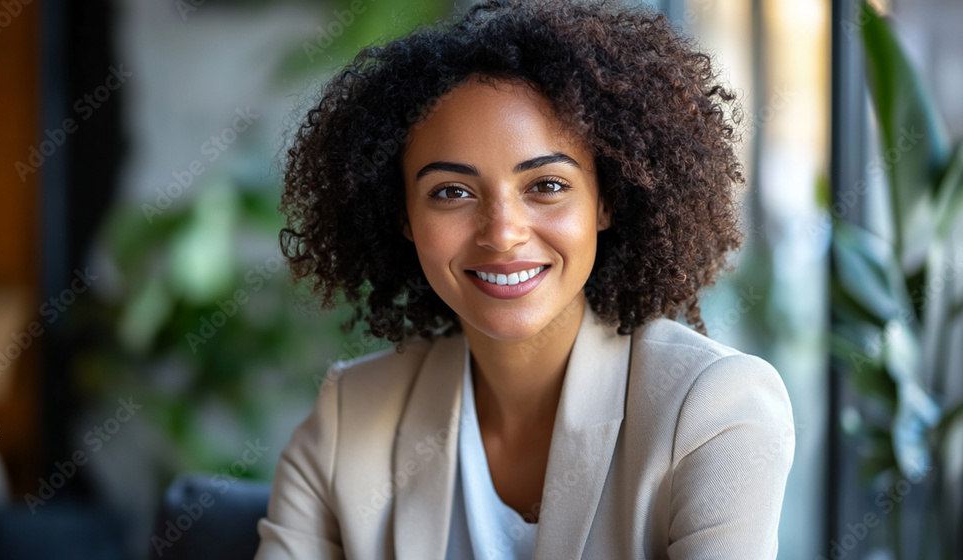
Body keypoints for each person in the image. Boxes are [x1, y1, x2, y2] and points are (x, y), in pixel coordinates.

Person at [254, 1, 795, 558]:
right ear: (403, 218)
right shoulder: (351, 414)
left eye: (547, 185)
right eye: (451, 192)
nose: (503, 233)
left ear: (606, 200)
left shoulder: (713, 409)